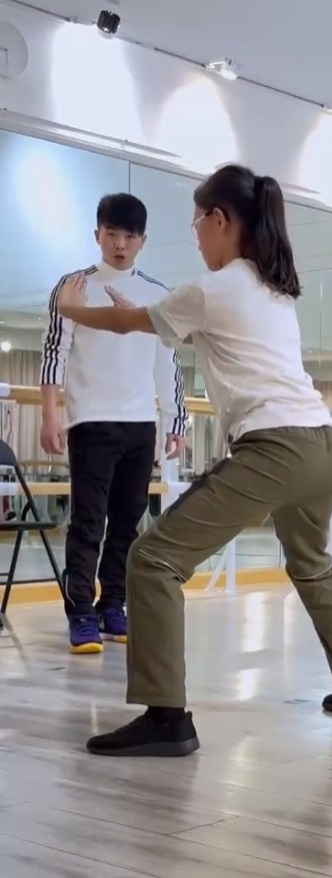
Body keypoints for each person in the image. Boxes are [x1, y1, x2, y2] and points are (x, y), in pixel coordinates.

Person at [56, 165, 332, 758]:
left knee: (153, 559)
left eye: (196, 224)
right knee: (313, 566)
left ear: (219, 220)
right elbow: (186, 330)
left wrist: (71, 309)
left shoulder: (212, 289)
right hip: (322, 443)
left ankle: (165, 718)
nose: (194, 237)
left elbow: (127, 323)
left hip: (276, 447)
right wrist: (139, 314)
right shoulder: (272, 287)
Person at [40, 193, 187, 655]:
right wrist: (51, 415)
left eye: (129, 236)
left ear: (143, 241)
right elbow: (54, 353)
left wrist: (175, 421)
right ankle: (81, 610)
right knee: (89, 522)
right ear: (97, 234)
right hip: (90, 421)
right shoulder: (73, 288)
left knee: (127, 522)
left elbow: (168, 363)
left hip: (140, 423)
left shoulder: (158, 294)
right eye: (111, 234)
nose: (120, 244)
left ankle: (113, 604)